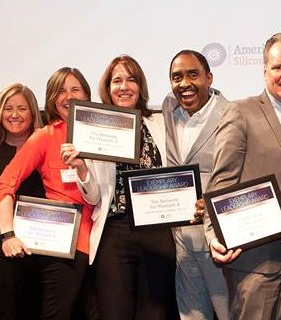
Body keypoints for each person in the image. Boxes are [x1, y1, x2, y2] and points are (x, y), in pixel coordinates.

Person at [205, 32, 281, 320]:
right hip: (253, 261)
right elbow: (220, 183)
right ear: (264, 70)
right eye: (279, 67)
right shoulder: (240, 113)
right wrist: (212, 235)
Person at [0, 67, 99, 319]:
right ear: (52, 99)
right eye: (60, 91)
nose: (68, 96)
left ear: (86, 94)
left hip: (103, 244)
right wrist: (8, 235)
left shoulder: (102, 134)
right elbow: (4, 184)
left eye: (75, 89)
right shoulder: (45, 137)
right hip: (64, 247)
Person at [87, 55, 178, 319]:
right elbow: (93, 195)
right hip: (114, 231)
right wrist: (82, 169)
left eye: (131, 79)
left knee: (155, 314)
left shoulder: (159, 124)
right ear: (108, 87)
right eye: (117, 80)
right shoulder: (96, 129)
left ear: (140, 86)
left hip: (157, 230)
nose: (124, 86)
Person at [161, 50, 230, 320]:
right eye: (176, 77)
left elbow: (241, 171)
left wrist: (214, 201)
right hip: (181, 236)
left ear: (209, 78)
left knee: (229, 313)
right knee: (191, 314)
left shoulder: (232, 114)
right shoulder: (169, 107)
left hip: (218, 238)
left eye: (193, 75)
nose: (184, 83)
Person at [0, 83, 46, 319]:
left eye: (22, 108)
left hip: (43, 248)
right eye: (8, 108)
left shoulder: (46, 147)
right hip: (2, 250)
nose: (15, 115)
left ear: (33, 113)